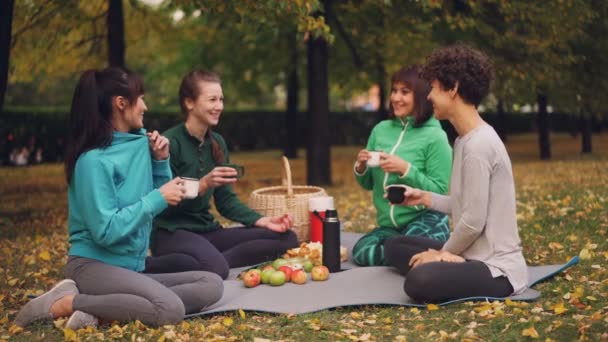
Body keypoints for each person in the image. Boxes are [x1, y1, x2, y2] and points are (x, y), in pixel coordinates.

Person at [14, 67, 223, 330]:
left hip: (130, 267)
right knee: (170, 309)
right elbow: (106, 231)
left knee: (211, 284)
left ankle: (106, 309)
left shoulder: (138, 145)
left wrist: (160, 163)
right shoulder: (93, 161)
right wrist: (157, 197)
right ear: (121, 103)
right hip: (94, 266)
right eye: (141, 98)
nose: (145, 106)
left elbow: (156, 206)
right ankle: (67, 302)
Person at [383, 45, 528, 303]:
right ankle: (449, 262)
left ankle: (446, 263)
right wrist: (423, 197)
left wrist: (441, 254)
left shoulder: (478, 146)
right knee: (394, 246)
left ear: (453, 89)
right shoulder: (464, 140)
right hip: (468, 253)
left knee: (419, 281)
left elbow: (472, 222)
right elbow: (464, 202)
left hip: (496, 268)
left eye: (435, 88)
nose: (429, 96)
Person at [144, 70, 298, 279]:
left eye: (221, 100)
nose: (219, 106)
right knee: (217, 269)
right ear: (189, 103)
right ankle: (152, 265)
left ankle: (202, 259)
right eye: (212, 100)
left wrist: (262, 221)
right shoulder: (170, 143)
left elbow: (226, 202)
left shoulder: (217, 143)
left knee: (287, 238)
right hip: (171, 232)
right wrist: (204, 184)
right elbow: (164, 202)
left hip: (207, 231)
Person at [351, 65, 453, 266]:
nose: (396, 98)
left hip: (426, 220)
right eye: (394, 90)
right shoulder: (380, 130)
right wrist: (361, 167)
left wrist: (406, 169)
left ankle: (411, 253)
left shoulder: (435, 137)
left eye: (405, 92)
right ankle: (409, 257)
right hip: (390, 226)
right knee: (361, 251)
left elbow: (440, 191)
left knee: (398, 247)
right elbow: (368, 184)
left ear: (423, 96)